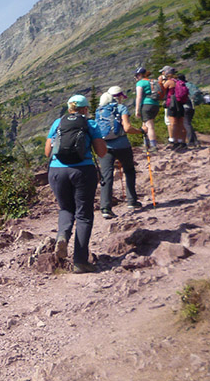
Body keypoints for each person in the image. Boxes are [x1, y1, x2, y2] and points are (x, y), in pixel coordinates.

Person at [45, 94, 107, 273]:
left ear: (69, 108)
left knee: (65, 209)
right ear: (85, 109)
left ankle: (62, 235)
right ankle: (80, 261)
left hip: (57, 171)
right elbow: (101, 152)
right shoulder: (90, 124)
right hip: (82, 171)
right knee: (84, 215)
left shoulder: (57, 123)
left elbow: (47, 151)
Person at [95, 86, 143, 218]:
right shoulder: (121, 108)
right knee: (129, 171)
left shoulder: (99, 110)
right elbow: (127, 128)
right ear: (119, 96)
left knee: (106, 176)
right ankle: (132, 201)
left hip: (104, 147)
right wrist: (141, 131)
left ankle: (105, 208)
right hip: (122, 145)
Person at [158, 66, 187, 151]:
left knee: (173, 123)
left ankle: (174, 142)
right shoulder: (179, 81)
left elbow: (161, 92)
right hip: (180, 104)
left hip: (172, 104)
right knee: (181, 123)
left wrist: (160, 81)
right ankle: (183, 142)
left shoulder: (169, 82)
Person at [134, 67, 160, 151]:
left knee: (149, 125)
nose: (135, 77)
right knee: (145, 124)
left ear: (140, 75)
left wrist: (137, 110)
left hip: (146, 104)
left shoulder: (140, 83)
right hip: (155, 104)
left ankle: (153, 145)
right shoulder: (151, 82)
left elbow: (139, 97)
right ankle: (146, 143)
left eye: (136, 75)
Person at [178, 73, 197, 147]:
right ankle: (195, 141)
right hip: (191, 106)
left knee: (186, 124)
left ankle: (191, 141)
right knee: (188, 123)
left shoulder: (181, 85)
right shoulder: (190, 84)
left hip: (185, 106)